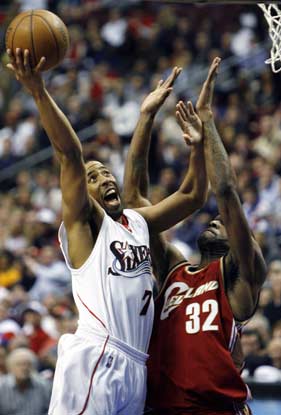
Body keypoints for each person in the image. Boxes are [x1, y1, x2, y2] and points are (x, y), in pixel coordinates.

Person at [7, 49, 207, 415]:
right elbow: (69, 154)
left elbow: (193, 195)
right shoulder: (85, 225)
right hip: (97, 354)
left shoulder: (139, 224)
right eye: (93, 177)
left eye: (106, 172)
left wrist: (198, 146)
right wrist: (38, 91)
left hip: (136, 366)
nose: (105, 178)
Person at [123, 58, 267, 414]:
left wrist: (207, 122)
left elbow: (228, 194)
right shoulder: (175, 269)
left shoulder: (238, 280)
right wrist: (145, 119)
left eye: (225, 223)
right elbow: (135, 205)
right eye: (216, 219)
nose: (217, 220)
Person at [0, 347, 52, 415]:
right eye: (19, 364)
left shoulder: (44, 386)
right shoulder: (2, 387)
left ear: (33, 367)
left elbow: (50, 410)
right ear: (10, 367)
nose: (24, 368)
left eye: (28, 364)